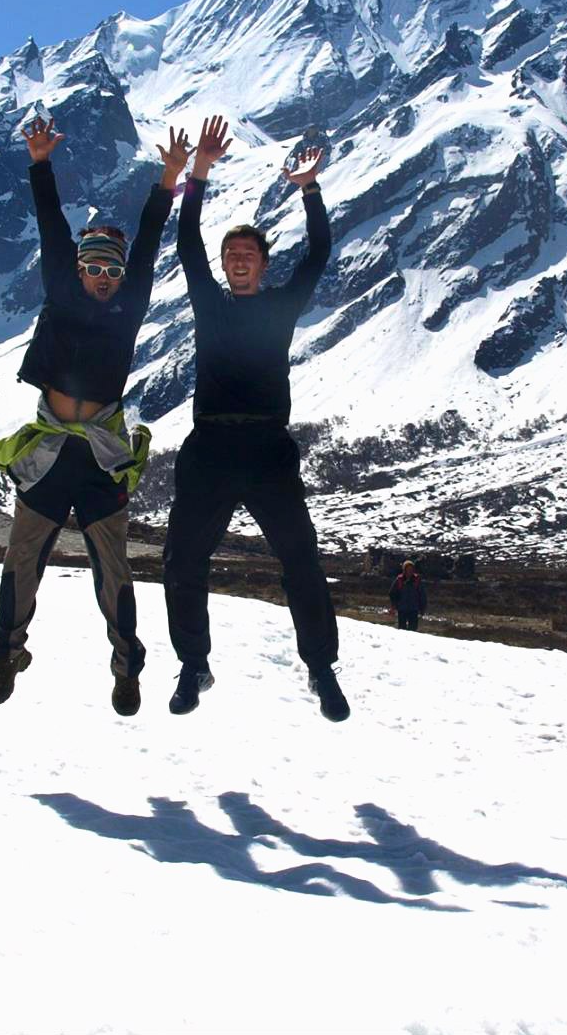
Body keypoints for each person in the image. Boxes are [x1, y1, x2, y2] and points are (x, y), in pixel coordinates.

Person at [0, 115, 184, 716]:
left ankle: (127, 669)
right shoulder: (60, 290)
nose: (101, 278)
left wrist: (168, 181)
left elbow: (148, 240)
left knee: (114, 573)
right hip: (50, 453)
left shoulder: (130, 304)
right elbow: (51, 226)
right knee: (21, 563)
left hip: (100, 454)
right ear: (78, 268)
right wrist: (39, 163)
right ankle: (4, 656)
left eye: (111, 272)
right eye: (92, 268)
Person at [162, 115, 350, 721]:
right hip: (209, 449)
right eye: (232, 255)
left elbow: (319, 252)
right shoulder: (208, 303)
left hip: (268, 450)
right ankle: (194, 665)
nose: (239, 260)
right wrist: (200, 174)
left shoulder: (280, 306)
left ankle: (321, 669)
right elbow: (186, 241)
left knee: (301, 560)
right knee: (181, 562)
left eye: (249, 254)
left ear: (263, 265)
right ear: (223, 265)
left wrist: (310, 189)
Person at [389, 560, 426, 631]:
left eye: (411, 569)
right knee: (402, 630)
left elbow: (422, 595)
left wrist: (422, 608)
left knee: (413, 630)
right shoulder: (399, 580)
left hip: (414, 609)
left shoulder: (417, 580)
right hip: (402, 609)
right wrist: (394, 605)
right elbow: (392, 593)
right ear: (404, 570)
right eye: (408, 569)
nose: (410, 571)